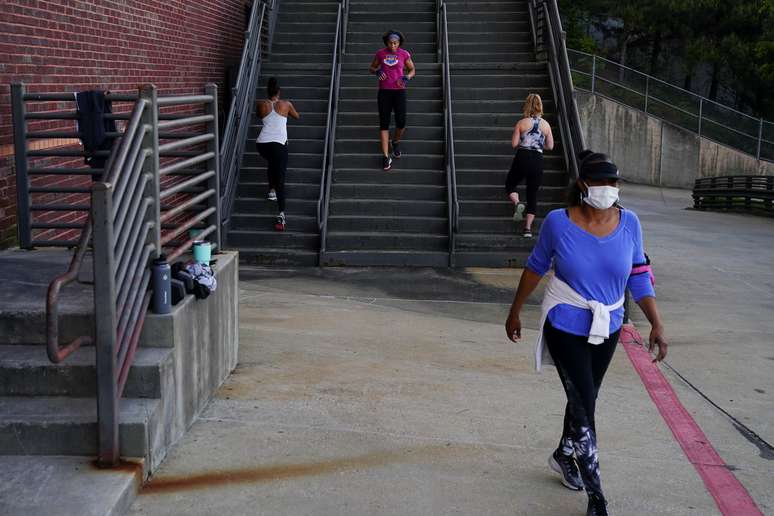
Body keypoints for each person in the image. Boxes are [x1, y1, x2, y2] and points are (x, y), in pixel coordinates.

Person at [504, 151, 667, 516]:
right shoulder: (558, 222)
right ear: (583, 186)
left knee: (585, 397)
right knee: (585, 408)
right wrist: (515, 311)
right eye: (601, 183)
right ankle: (597, 497)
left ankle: (564, 453)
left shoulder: (631, 223)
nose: (608, 189)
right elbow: (535, 267)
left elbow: (639, 275)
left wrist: (656, 322)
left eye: (614, 182)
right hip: (564, 321)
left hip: (608, 324)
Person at [505, 93, 554, 238]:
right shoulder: (546, 125)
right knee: (532, 194)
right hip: (537, 159)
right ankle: (527, 229)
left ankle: (518, 202)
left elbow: (514, 144)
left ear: (526, 105)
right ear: (540, 106)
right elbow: (550, 146)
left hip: (523, 156)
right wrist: (538, 143)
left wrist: (525, 141)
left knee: (510, 184)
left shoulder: (521, 123)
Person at [255, 77, 299, 231]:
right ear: (279, 92)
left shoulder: (261, 104)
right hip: (279, 144)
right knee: (280, 177)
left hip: (262, 144)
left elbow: (259, 116)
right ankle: (281, 214)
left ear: (268, 92)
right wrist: (284, 113)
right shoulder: (286, 104)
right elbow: (297, 116)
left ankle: (271, 191)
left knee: (272, 163)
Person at [369, 30, 415, 171]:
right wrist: (377, 71)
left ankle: (395, 142)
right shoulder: (380, 53)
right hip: (384, 92)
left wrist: (407, 77)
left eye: (395, 42)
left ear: (399, 42)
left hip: (399, 92)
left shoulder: (404, 54)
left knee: (401, 122)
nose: (393, 45)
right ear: (386, 42)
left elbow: (412, 69)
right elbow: (371, 67)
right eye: (390, 42)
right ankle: (385, 156)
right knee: (384, 123)